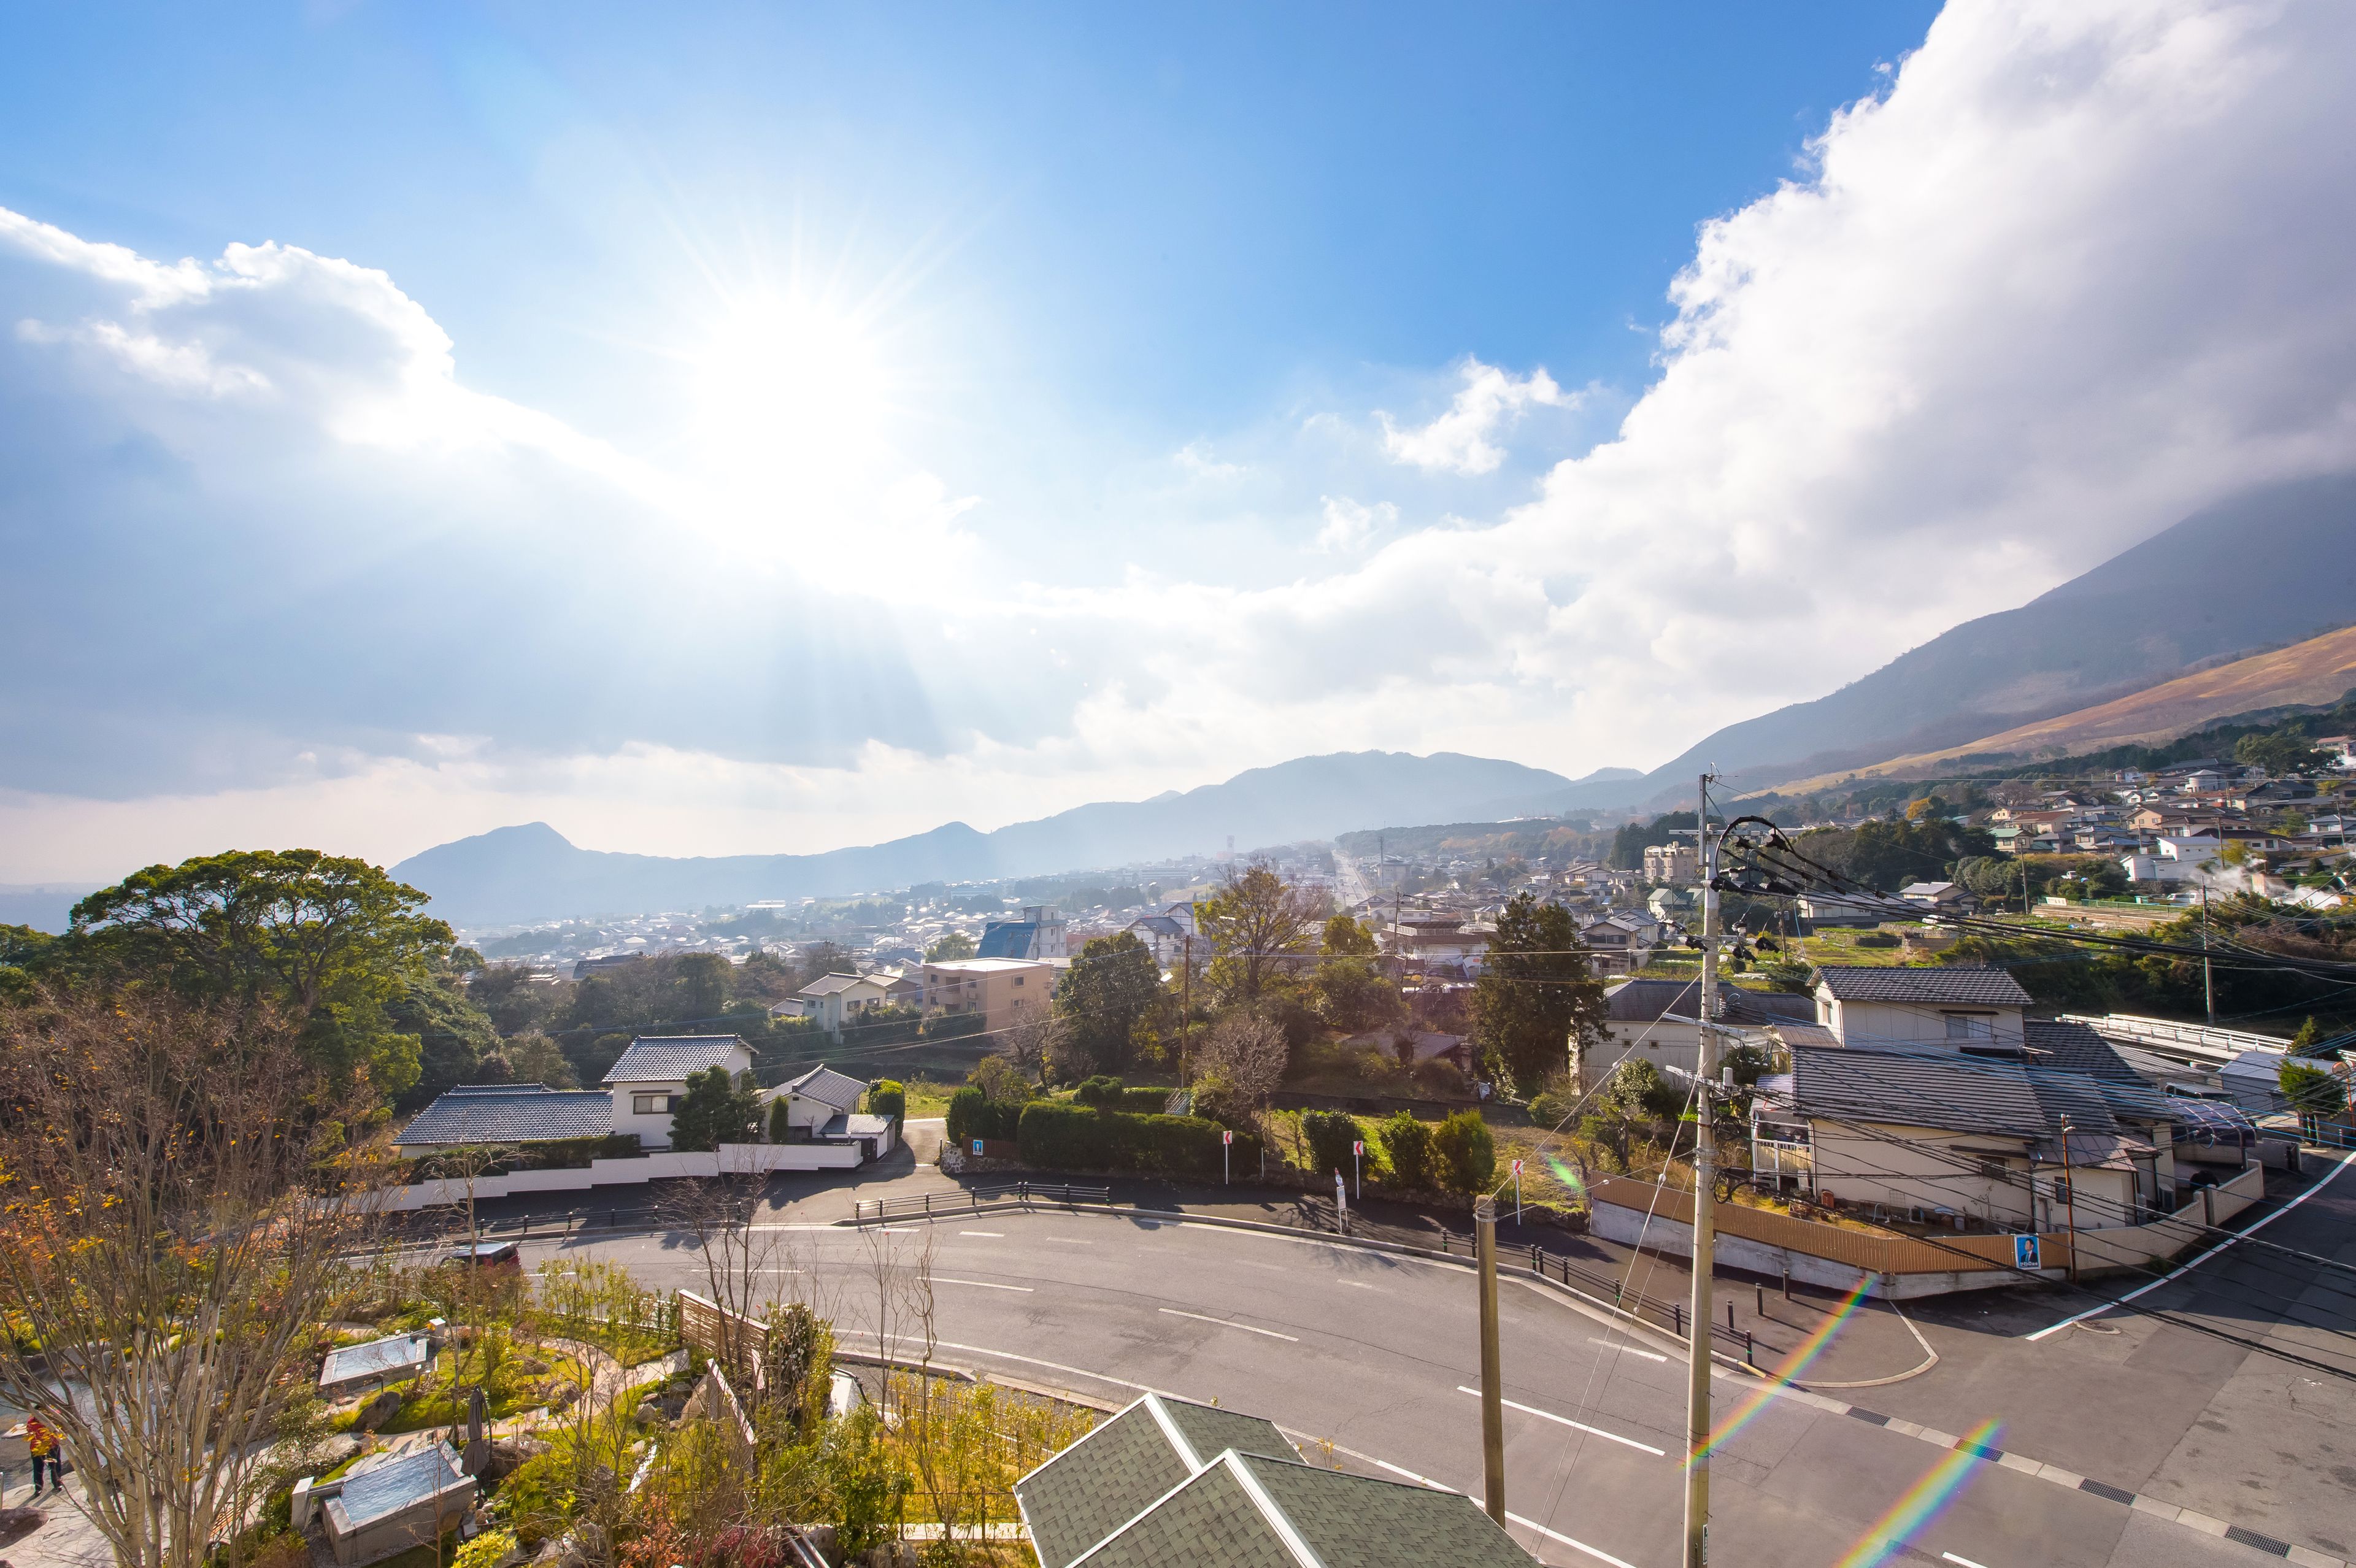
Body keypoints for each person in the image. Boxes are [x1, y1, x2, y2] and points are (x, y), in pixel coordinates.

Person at [24, 1416, 58, 1499]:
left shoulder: (53, 1416)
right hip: (37, 1447)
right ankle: (38, 1488)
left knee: (55, 1465)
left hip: (52, 1444)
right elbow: (29, 1432)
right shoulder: (31, 1422)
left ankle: (57, 1483)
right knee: (38, 1468)